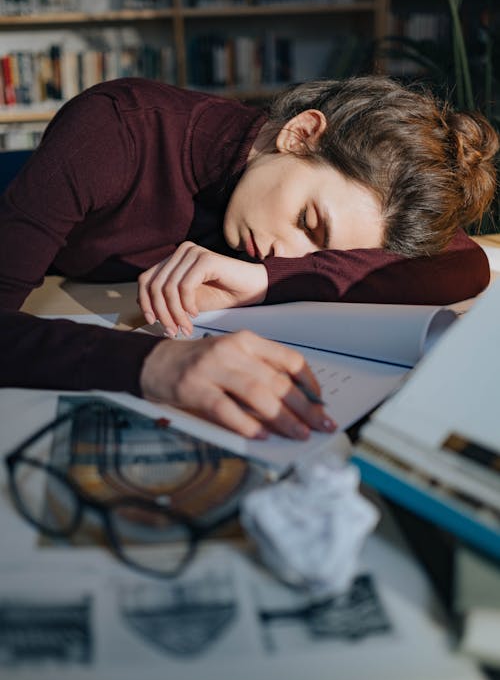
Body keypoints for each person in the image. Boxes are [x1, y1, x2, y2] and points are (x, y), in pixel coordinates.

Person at [0, 75, 497, 439]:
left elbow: (464, 262)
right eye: (307, 222)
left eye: (324, 251)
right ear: (299, 134)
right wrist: (155, 364)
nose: (290, 253)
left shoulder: (286, 228)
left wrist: (267, 280)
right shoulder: (113, 130)